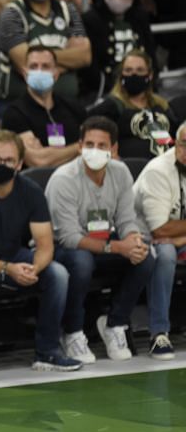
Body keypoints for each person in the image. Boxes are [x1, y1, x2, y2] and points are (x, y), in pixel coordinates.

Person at [0, 130, 81, 378]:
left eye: (8, 160)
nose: (1, 164)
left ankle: (47, 351)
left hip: (13, 255)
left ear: (19, 164)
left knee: (58, 274)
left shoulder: (30, 191)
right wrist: (8, 269)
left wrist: (34, 269)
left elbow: (45, 244)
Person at [46, 116, 156, 363]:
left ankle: (115, 324)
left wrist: (134, 241)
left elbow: (127, 219)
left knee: (146, 256)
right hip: (62, 248)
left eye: (102, 146)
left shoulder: (121, 172)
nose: (94, 151)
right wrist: (119, 247)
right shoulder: (64, 179)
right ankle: (72, 331)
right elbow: (70, 237)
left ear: (114, 149)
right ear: (79, 146)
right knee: (82, 262)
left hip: (104, 240)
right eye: (89, 144)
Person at [0, 0, 91, 102]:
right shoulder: (11, 14)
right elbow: (25, 63)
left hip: (67, 103)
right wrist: (68, 58)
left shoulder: (69, 10)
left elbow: (85, 56)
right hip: (20, 104)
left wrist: (39, 60)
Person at [131, 123, 185, 360]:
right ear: (175, 144)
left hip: (178, 235)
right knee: (165, 254)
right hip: (144, 238)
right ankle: (159, 333)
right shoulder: (158, 172)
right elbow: (160, 229)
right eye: (184, 144)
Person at [1, 46, 86, 168]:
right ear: (25, 74)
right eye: (33, 67)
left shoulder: (75, 109)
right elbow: (39, 160)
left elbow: (93, 146)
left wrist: (52, 154)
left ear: (56, 75)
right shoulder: (14, 113)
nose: (39, 71)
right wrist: (80, 147)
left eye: (45, 66)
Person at [81, 0, 156, 98]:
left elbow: (150, 56)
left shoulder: (140, 17)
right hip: (103, 90)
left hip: (140, 86)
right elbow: (90, 67)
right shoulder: (91, 19)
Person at [88, 49, 176, 160]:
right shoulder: (111, 106)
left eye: (140, 70)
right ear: (121, 76)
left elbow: (178, 135)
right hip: (130, 170)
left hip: (167, 166)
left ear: (150, 75)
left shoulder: (162, 105)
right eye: (128, 70)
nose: (134, 74)